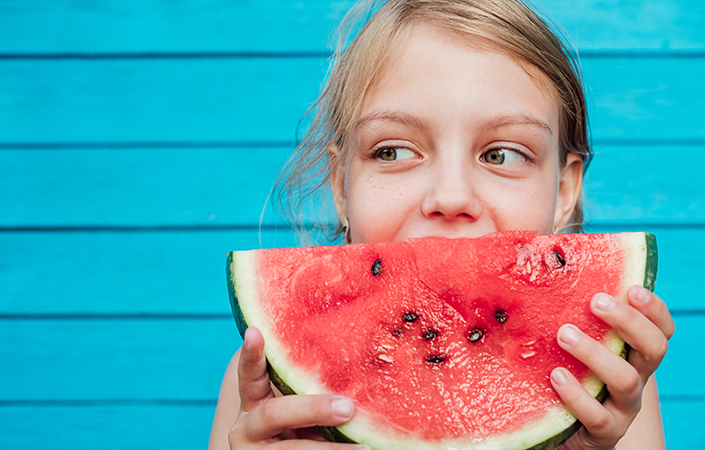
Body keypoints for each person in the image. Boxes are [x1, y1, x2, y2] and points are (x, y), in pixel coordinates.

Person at [208, 1, 675, 449]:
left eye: (502, 155)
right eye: (392, 151)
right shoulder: (262, 379)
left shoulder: (604, 377)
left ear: (564, 191)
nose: (451, 196)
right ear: (342, 188)